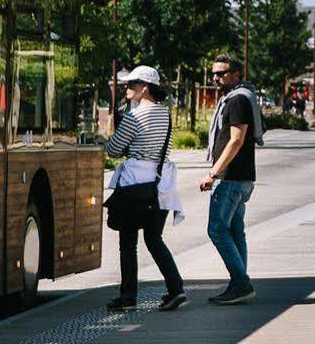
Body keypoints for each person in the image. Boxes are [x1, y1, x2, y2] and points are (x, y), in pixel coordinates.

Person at [104, 65, 186, 312]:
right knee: (153, 238)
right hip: (160, 184)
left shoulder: (134, 116)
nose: (126, 89)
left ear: (145, 87)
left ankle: (128, 298)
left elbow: (113, 149)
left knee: (128, 241)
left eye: (131, 85)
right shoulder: (166, 114)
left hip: (134, 185)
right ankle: (176, 289)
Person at [199, 54, 262, 304]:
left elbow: (236, 140)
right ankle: (240, 282)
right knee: (235, 231)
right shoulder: (238, 97)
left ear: (236, 74)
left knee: (216, 229)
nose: (216, 78)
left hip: (231, 178)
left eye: (222, 73)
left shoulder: (237, 100)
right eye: (214, 73)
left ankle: (240, 282)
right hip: (241, 177)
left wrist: (213, 173)